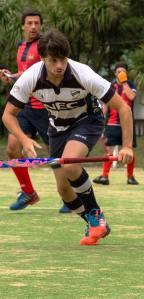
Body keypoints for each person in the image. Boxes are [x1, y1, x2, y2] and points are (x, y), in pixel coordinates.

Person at [2, 29, 134, 245]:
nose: (59, 66)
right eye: (53, 60)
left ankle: (95, 214)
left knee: (71, 165)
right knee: (64, 190)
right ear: (43, 58)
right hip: (57, 128)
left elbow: (123, 108)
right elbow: (8, 115)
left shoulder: (83, 74)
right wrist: (24, 139)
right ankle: (93, 223)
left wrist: (127, 146)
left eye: (62, 59)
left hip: (88, 122)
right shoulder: (31, 78)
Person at [0, 9, 70, 213]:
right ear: (22, 26)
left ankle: (69, 196)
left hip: (46, 108)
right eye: (29, 23)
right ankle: (29, 192)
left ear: (41, 25)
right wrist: (11, 76)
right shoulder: (21, 47)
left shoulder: (45, 48)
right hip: (25, 108)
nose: (33, 27)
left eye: (37, 23)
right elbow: (25, 76)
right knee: (13, 148)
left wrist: (14, 77)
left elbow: (38, 72)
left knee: (57, 154)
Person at [93, 62, 139, 185]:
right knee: (108, 150)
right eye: (119, 72)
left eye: (123, 72)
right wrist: (100, 123)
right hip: (112, 124)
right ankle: (104, 176)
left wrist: (124, 83)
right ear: (115, 73)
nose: (121, 74)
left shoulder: (130, 85)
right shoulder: (111, 87)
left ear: (127, 73)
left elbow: (131, 97)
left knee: (129, 151)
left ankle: (130, 177)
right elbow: (105, 106)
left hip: (127, 125)